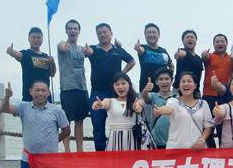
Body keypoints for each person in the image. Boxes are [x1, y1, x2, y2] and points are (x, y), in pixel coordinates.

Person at [84, 23, 135, 151]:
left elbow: (132, 61)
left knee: (121, 124)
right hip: (98, 93)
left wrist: (122, 74)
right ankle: (101, 156)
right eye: (99, 33)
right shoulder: (93, 49)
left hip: (116, 93)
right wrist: (86, 51)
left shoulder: (118, 50)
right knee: (98, 127)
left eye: (105, 32)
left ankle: (120, 151)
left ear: (111, 33)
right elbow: (87, 52)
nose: (102, 34)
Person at [140, 67, 177, 168]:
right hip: (156, 144)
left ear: (171, 80)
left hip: (174, 144)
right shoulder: (154, 96)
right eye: (161, 79)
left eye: (167, 79)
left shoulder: (177, 97)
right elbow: (144, 97)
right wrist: (145, 89)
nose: (164, 82)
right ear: (156, 82)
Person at [57, 19, 88, 152]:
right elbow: (61, 47)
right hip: (67, 89)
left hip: (82, 88)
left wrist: (88, 51)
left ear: (79, 31)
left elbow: (90, 53)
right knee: (66, 122)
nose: (73, 31)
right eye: (70, 28)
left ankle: (80, 150)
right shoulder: (62, 44)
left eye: (75, 29)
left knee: (80, 121)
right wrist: (63, 47)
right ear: (66, 31)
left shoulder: (81, 49)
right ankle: (67, 150)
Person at [7, 27, 56, 102]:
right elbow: (17, 54)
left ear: (42, 39)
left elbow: (52, 74)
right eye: (33, 38)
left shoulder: (46, 56)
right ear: (29, 39)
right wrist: (10, 51)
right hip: (29, 98)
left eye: (38, 38)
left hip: (45, 98)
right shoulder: (26, 53)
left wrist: (52, 62)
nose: (36, 40)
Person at [201, 33, 233, 147]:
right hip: (209, 95)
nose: (220, 43)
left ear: (227, 44)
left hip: (225, 96)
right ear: (213, 44)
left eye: (222, 41)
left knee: (223, 126)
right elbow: (204, 58)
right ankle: (210, 151)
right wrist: (204, 55)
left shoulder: (231, 58)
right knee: (207, 125)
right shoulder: (210, 56)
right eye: (217, 41)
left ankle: (223, 151)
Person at [134, 23, 173, 93]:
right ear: (145, 35)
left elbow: (171, 65)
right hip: (146, 89)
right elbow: (141, 50)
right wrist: (138, 48)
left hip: (163, 90)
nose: (151, 34)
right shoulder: (144, 48)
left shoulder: (163, 51)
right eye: (149, 33)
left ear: (159, 35)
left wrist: (169, 79)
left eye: (154, 32)